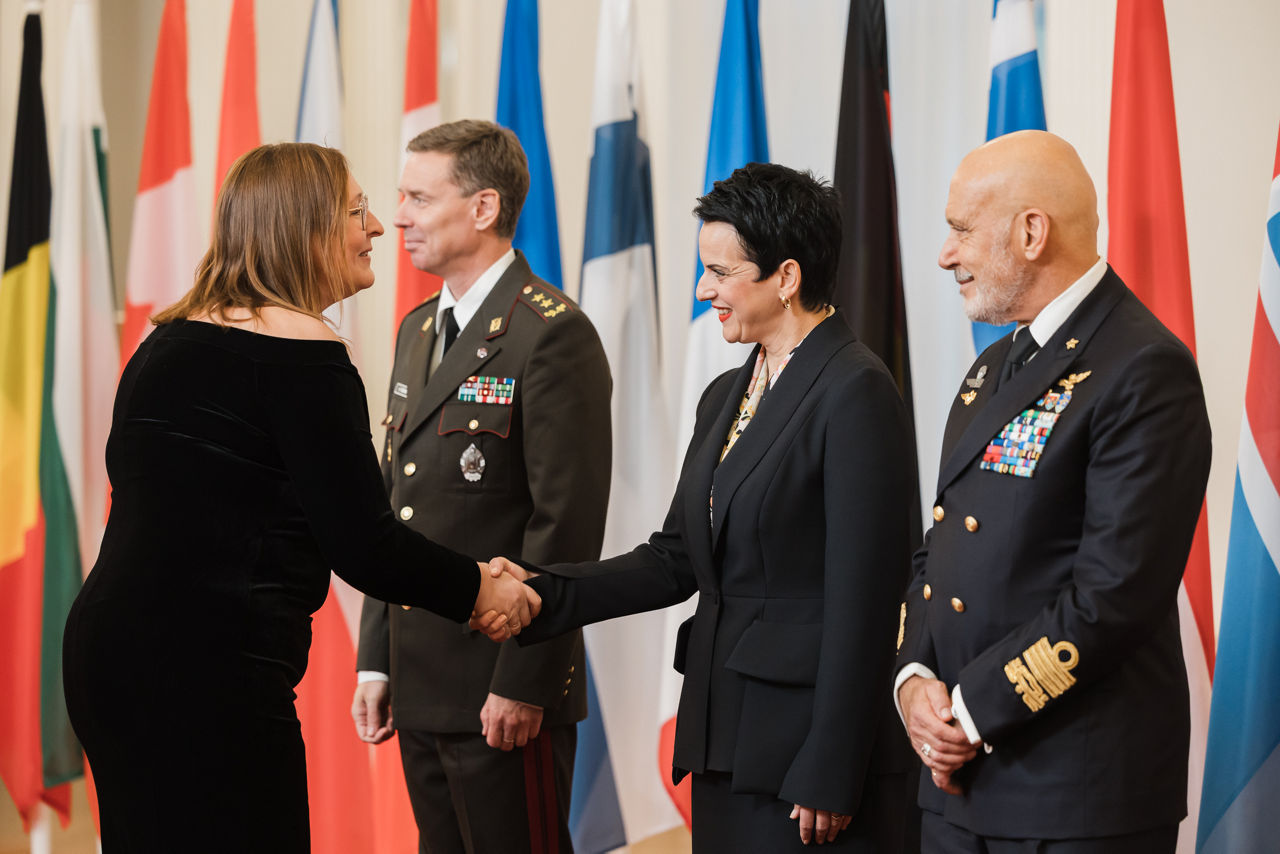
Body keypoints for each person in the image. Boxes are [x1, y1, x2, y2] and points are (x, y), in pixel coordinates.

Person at [61, 142, 538, 854]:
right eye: (356, 209)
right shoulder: (306, 354)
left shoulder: (165, 341)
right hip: (210, 673)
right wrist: (481, 589)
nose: (375, 226)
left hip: (108, 655)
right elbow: (366, 547)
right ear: (305, 226)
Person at [481, 162, 919, 852]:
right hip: (725, 736)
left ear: (786, 277)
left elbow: (867, 602)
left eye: (719, 272)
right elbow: (676, 559)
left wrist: (833, 765)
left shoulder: (855, 390)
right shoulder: (724, 395)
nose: (702, 289)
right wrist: (542, 591)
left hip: (805, 756)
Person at [894, 130, 1212, 853]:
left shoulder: (1143, 368)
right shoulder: (993, 367)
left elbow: (1114, 595)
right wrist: (913, 677)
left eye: (962, 229)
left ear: (1031, 233)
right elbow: (939, 548)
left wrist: (971, 711)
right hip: (955, 784)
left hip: (1074, 794)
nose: (945, 254)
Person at [351, 119, 611, 854]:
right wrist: (377, 657)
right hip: (419, 683)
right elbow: (394, 507)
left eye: (418, 198)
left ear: (483, 207)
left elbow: (565, 527)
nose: (397, 217)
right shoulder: (416, 330)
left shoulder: (551, 332)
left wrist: (526, 678)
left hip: (501, 689)